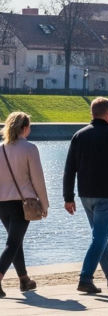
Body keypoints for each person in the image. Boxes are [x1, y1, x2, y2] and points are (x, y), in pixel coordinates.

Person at [62, 97, 108, 295]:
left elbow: (69, 169)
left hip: (85, 196)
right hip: (107, 196)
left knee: (99, 237)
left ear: (92, 114)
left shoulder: (78, 136)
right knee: (99, 237)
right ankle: (85, 278)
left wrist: (68, 197)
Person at [0, 112, 48, 297]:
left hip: (2, 203)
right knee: (13, 243)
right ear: (25, 128)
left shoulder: (1, 148)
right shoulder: (30, 148)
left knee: (15, 241)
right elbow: (38, 180)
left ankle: (24, 280)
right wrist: (44, 204)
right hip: (23, 203)